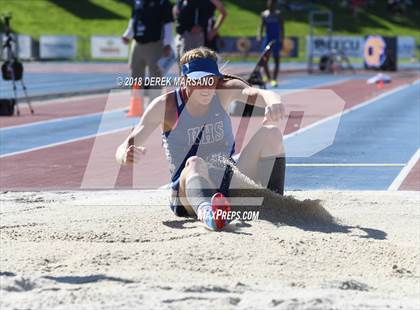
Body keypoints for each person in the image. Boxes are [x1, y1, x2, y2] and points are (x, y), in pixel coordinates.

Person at [116, 47, 286, 231]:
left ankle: (277, 205)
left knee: (272, 133)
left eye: (210, 79)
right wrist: (126, 154)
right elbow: (127, 144)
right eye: (197, 80)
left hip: (226, 182)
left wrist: (273, 102)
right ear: (184, 80)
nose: (205, 86)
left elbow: (257, 94)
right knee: (195, 162)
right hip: (188, 190)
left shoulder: (223, 91)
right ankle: (209, 214)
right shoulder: (166, 106)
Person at [122, 0, 174, 82]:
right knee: (135, 74)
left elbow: (168, 24)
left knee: (155, 75)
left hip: (155, 44)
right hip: (137, 44)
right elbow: (134, 19)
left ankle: (155, 95)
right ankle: (136, 95)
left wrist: (167, 44)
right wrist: (128, 35)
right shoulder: (137, 1)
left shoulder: (163, 3)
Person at [258, 0, 284, 88]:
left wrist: (282, 39)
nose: (271, 4)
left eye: (273, 3)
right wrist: (259, 36)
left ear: (275, 4)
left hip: (276, 39)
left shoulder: (278, 14)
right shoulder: (264, 14)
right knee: (264, 59)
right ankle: (268, 77)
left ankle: (274, 79)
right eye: (270, 2)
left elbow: (282, 28)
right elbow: (261, 26)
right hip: (267, 39)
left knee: (276, 59)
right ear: (267, 3)